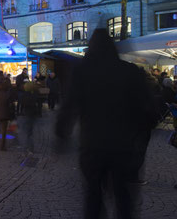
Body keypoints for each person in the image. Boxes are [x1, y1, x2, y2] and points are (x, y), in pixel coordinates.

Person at [56, 29, 157, 218]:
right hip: (123, 147)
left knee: (93, 196)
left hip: (92, 146)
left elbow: (68, 106)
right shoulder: (129, 71)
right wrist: (140, 133)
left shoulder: (82, 72)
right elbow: (149, 109)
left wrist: (62, 132)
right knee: (123, 197)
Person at [0, 78, 15, 151]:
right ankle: (2, 146)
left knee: (1, 129)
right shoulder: (7, 95)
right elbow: (11, 105)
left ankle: (1, 144)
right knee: (4, 131)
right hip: (5, 114)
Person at [19, 81, 39, 153]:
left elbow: (22, 103)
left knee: (27, 131)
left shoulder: (24, 95)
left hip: (27, 113)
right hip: (32, 113)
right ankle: (30, 147)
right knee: (30, 131)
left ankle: (28, 147)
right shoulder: (34, 94)